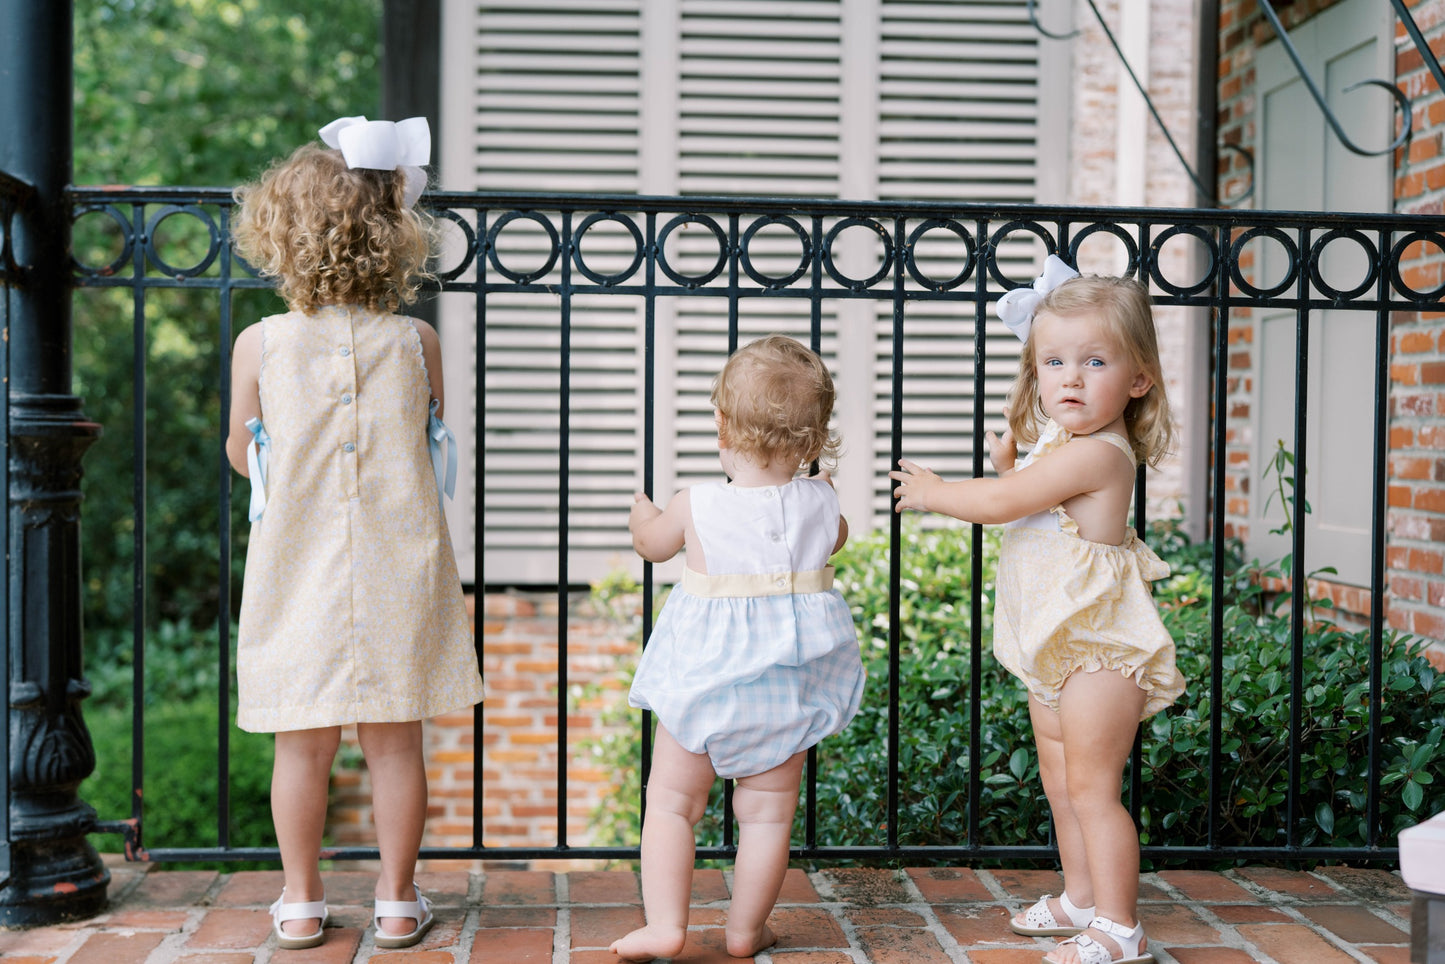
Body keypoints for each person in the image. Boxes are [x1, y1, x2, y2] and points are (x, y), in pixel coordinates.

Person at [225, 116, 485, 951]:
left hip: (294, 565)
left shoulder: (258, 345)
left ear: (280, 237)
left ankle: (301, 902)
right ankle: (398, 899)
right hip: (398, 562)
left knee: (300, 748)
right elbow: (431, 432)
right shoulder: (417, 341)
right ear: (394, 234)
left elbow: (242, 450)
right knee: (394, 742)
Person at [890, 257, 1182, 964]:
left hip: (1095, 652)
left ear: (1137, 379)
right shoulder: (1065, 443)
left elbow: (1004, 507)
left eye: (1093, 361)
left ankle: (1119, 927)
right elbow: (1033, 502)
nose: (1070, 378)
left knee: (1091, 788)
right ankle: (1080, 897)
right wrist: (1007, 464)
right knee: (1059, 782)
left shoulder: (1101, 454)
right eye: (1053, 361)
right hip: (1054, 645)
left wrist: (936, 492)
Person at [611, 335, 866, 962]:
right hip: (787, 692)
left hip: (701, 685)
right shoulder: (820, 500)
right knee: (768, 818)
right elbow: (836, 539)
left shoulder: (695, 504)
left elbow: (653, 546)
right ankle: (745, 930)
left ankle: (666, 925)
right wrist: (818, 493)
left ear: (722, 424)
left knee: (672, 805)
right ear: (812, 441)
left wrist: (643, 515)